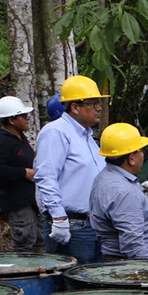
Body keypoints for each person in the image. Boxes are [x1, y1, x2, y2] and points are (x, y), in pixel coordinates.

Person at [34, 75, 108, 264]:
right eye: (93, 103)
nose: (99, 108)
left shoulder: (87, 136)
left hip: (93, 224)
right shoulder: (56, 132)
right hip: (73, 225)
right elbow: (46, 177)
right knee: (73, 278)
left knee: (93, 277)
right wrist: (58, 217)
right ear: (75, 107)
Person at [89, 123, 148, 260]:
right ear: (131, 158)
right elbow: (133, 244)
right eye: (141, 150)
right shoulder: (124, 192)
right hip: (133, 266)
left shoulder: (105, 177)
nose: (143, 155)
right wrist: (146, 269)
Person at [0, 96, 41, 251]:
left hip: (30, 199)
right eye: (23, 116)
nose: (28, 119)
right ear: (12, 120)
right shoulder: (2, 141)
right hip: (17, 201)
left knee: (39, 240)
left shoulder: (20, 137)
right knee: (25, 243)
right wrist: (23, 172)